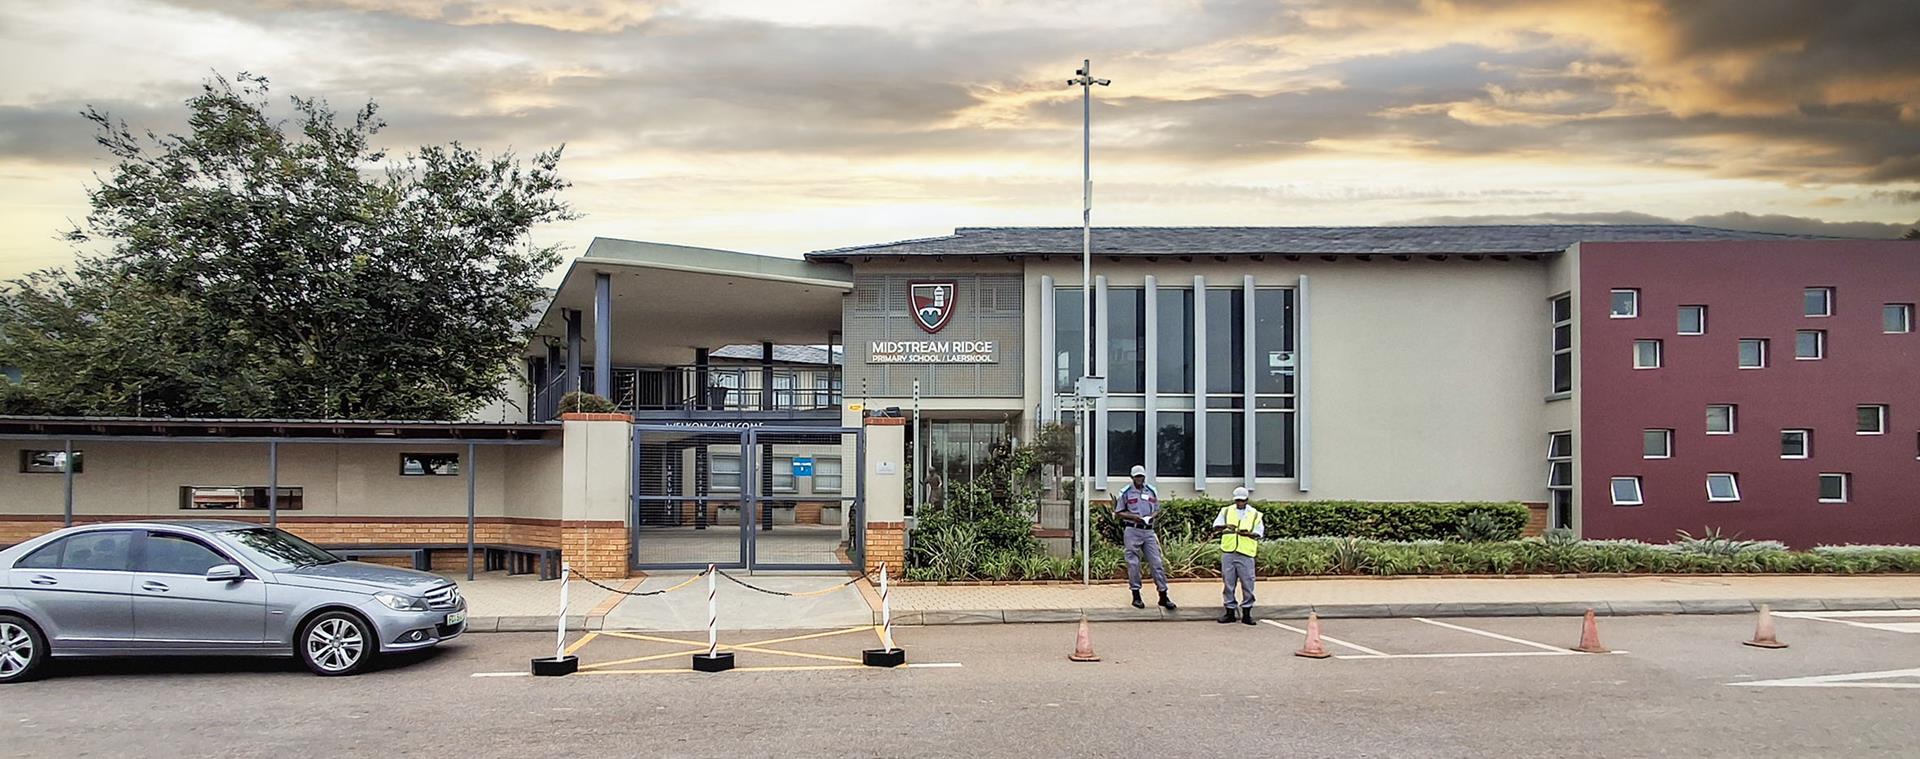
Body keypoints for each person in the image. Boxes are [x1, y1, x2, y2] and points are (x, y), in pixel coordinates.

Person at [1115, 464, 1176, 610]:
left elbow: (1157, 509)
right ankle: (1136, 596)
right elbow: (1118, 512)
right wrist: (1134, 517)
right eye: (1137, 477)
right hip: (1133, 530)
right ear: (1132, 477)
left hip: (1148, 531)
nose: (1139, 479)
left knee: (1157, 563)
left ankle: (1163, 595)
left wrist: (1152, 516)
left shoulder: (1151, 491)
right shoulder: (1126, 492)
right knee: (1133, 564)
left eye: (1141, 476)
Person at [1210, 487, 1264, 624]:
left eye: (1242, 500)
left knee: (1248, 583)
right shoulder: (1226, 511)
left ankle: (1247, 613)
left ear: (1247, 500)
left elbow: (1259, 533)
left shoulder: (1255, 514)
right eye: (1237, 500)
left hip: (1246, 553)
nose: (1240, 503)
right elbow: (1216, 526)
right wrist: (1226, 526)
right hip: (1229, 551)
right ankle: (1230, 612)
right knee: (1228, 583)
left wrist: (1247, 534)